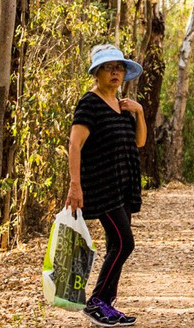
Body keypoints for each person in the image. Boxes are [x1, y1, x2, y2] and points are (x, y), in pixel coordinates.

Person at [66, 44, 146, 327]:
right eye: (109, 67)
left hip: (124, 186)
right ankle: (97, 302)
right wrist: (75, 185)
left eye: (120, 67)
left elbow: (139, 142)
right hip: (102, 186)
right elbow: (75, 145)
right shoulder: (90, 103)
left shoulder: (123, 105)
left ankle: (106, 306)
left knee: (116, 244)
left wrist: (139, 112)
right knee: (125, 243)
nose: (116, 72)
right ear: (97, 72)